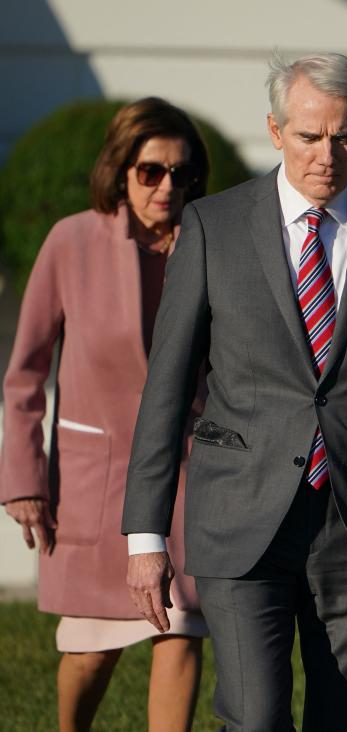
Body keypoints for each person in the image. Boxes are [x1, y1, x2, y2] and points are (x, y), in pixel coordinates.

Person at [121, 52, 347, 731]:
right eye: (309, 136)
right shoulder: (211, 228)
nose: (326, 154)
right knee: (256, 717)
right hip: (239, 515)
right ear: (276, 131)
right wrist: (144, 533)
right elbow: (166, 387)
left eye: (343, 135)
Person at [0, 97, 210, 732]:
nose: (166, 186)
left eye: (181, 173)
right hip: (96, 477)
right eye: (151, 171)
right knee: (88, 652)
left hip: (189, 475)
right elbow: (24, 375)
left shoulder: (210, 241)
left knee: (180, 628)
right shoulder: (72, 241)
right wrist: (24, 481)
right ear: (121, 171)